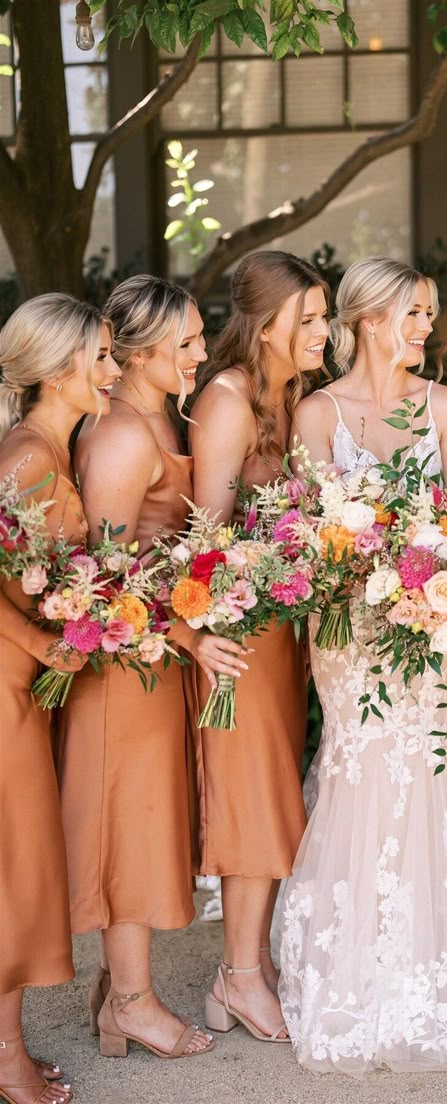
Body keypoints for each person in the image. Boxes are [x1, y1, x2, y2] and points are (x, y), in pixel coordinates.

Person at [278, 257, 447, 1075]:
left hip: (427, 625)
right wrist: (358, 576)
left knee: (419, 775)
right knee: (357, 768)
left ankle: (422, 968)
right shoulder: (316, 413)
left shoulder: (444, 406)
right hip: (346, 629)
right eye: (415, 313)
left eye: (429, 313)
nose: (428, 328)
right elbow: (306, 530)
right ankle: (343, 962)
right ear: (371, 318)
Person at [56, 276, 232, 1060]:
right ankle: (131, 1001)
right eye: (187, 342)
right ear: (136, 350)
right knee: (127, 827)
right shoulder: (123, 435)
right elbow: (105, 573)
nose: (200, 352)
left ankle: (116, 994)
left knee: (147, 820)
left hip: (154, 659)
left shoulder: (159, 414)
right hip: (126, 668)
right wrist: (193, 637)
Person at [189, 251, 329, 1043]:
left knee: (276, 792)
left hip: (281, 634)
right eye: (306, 319)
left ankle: (249, 967)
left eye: (322, 316)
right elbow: (205, 539)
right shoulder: (229, 400)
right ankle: (238, 976)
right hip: (237, 635)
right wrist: (209, 632)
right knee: (248, 798)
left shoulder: (295, 394)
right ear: (264, 321)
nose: (321, 331)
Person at [0, 293, 118, 1103]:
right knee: (13, 868)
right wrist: (48, 641)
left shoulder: (52, 449)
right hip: (4, 684)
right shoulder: (26, 457)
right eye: (102, 357)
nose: (113, 370)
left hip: (24, 687)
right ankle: (8, 1061)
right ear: (57, 368)